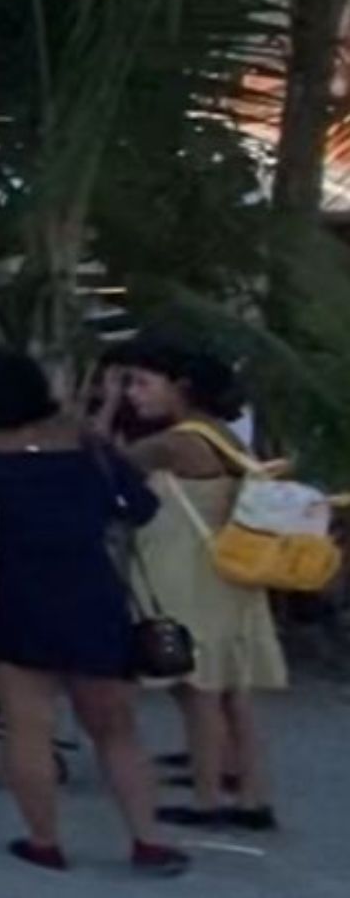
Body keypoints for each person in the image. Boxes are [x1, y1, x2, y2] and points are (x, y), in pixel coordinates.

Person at [0, 353, 184, 874]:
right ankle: (147, 839)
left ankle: (45, 841)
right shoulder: (88, 451)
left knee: (28, 727)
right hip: (89, 594)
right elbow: (141, 508)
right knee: (115, 728)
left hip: (7, 597)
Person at [103, 339, 289, 832]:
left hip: (189, 574)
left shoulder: (175, 443)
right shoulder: (226, 439)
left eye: (142, 383)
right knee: (233, 691)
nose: (133, 394)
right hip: (231, 573)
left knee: (198, 690)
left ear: (180, 388)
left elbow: (102, 464)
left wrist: (102, 404)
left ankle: (208, 799)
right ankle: (252, 796)